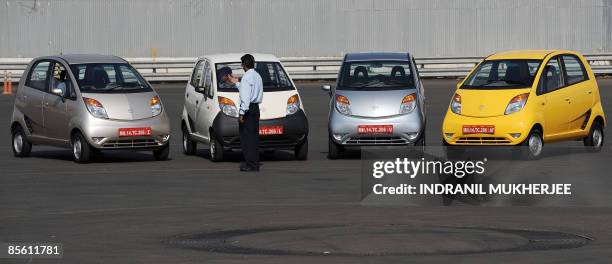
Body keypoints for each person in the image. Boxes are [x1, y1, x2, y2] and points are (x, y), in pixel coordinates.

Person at [227, 54, 263, 172]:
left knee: (246, 138)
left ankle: (250, 164)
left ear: (244, 65)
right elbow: (247, 90)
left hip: (248, 110)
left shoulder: (247, 77)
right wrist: (236, 83)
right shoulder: (257, 76)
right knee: (253, 138)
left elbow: (246, 98)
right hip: (255, 108)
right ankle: (254, 162)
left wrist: (242, 114)